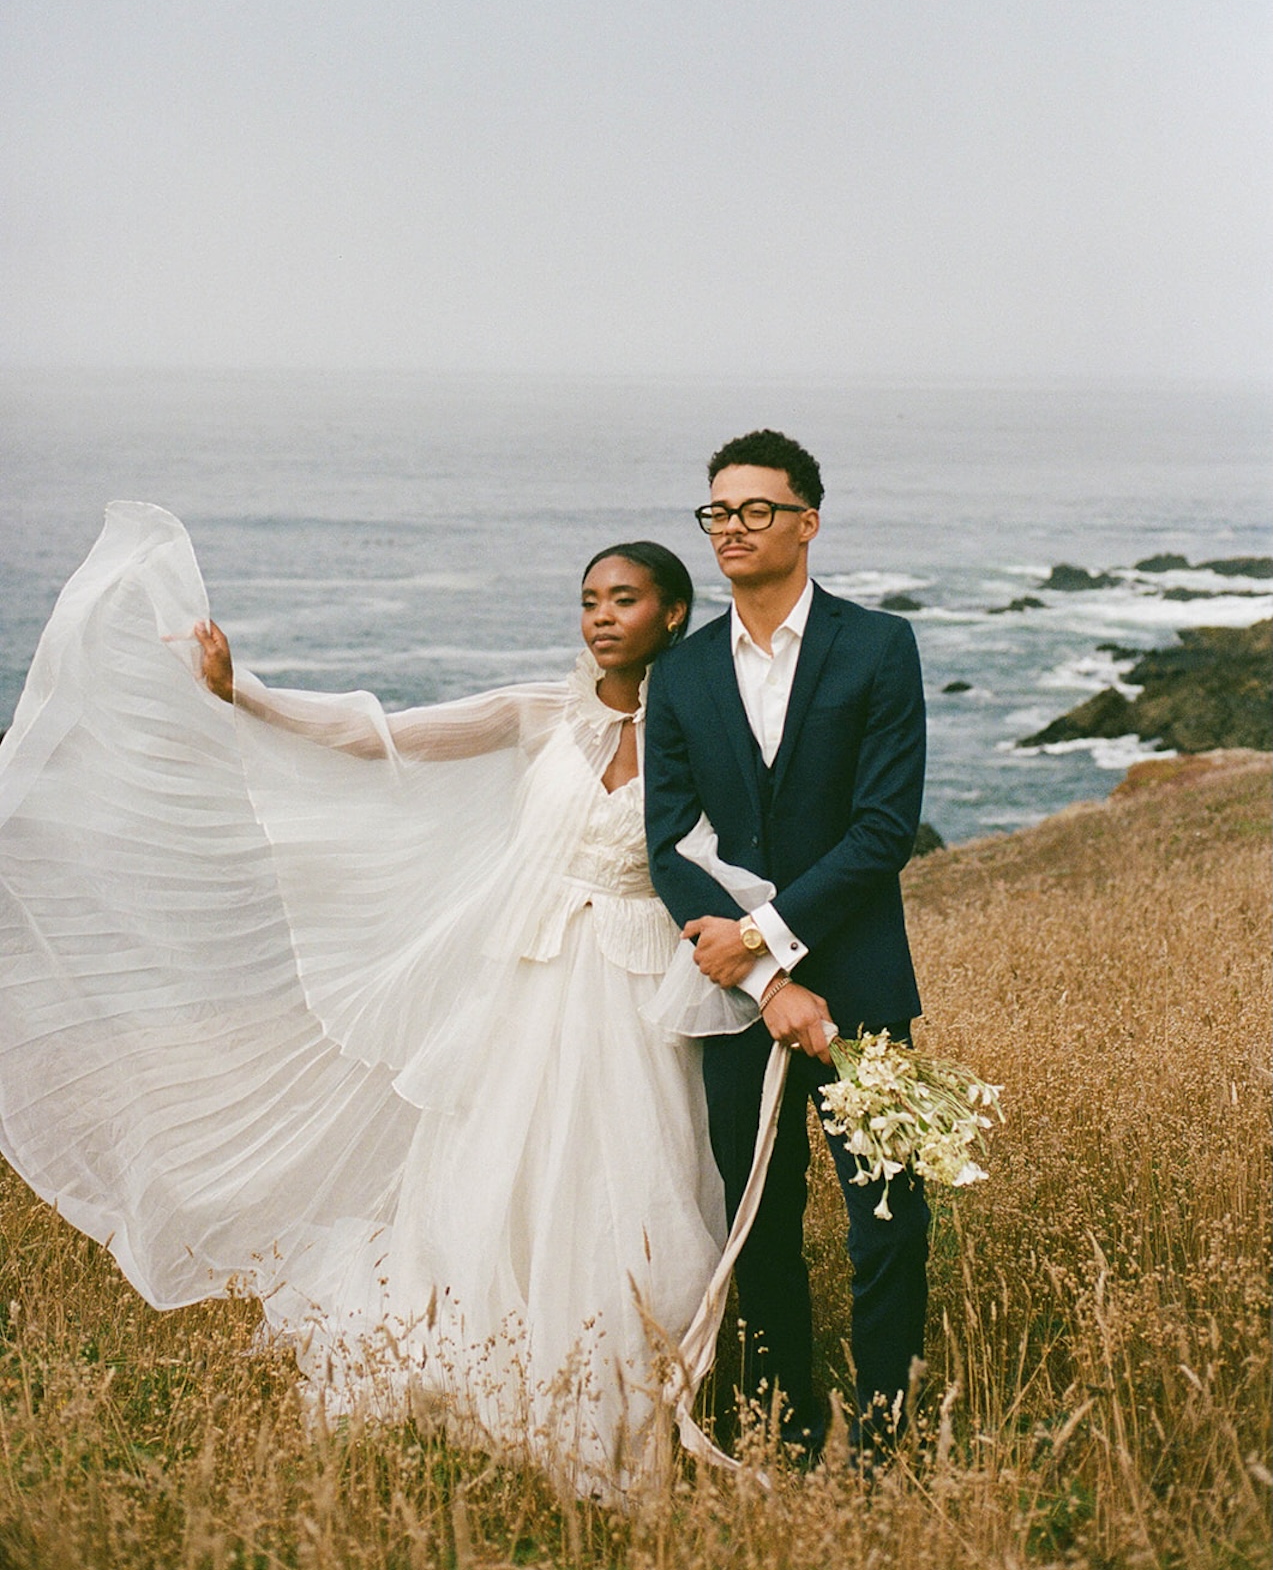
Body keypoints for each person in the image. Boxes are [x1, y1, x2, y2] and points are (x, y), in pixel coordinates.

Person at [0, 503, 724, 1496]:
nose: (601, 617)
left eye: (624, 599)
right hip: (526, 987)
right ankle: (500, 1382)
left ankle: (634, 1385)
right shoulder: (540, 713)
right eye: (589, 600)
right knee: (499, 1173)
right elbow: (381, 735)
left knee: (640, 1183)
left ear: (674, 615)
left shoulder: (706, 729)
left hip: (636, 993)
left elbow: (742, 855)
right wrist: (241, 693)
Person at [644, 428, 929, 1456]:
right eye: (717, 511)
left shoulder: (878, 646)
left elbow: (883, 830)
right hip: (733, 1003)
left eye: (755, 510)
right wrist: (764, 979)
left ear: (807, 521)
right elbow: (667, 844)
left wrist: (763, 935)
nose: (732, 528)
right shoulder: (676, 676)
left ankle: (886, 1437)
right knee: (756, 1225)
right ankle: (791, 1432)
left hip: (863, 985)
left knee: (889, 1220)